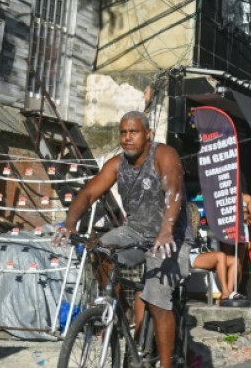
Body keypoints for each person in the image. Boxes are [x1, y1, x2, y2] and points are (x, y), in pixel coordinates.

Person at [54, 111, 188, 368]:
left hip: (171, 235)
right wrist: (69, 224)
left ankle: (166, 364)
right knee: (98, 248)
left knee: (158, 299)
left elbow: (174, 189)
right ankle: (121, 308)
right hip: (136, 231)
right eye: (123, 133)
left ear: (148, 134)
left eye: (134, 132)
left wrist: (166, 229)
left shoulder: (163, 155)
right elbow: (88, 193)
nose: (127, 138)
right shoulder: (116, 164)